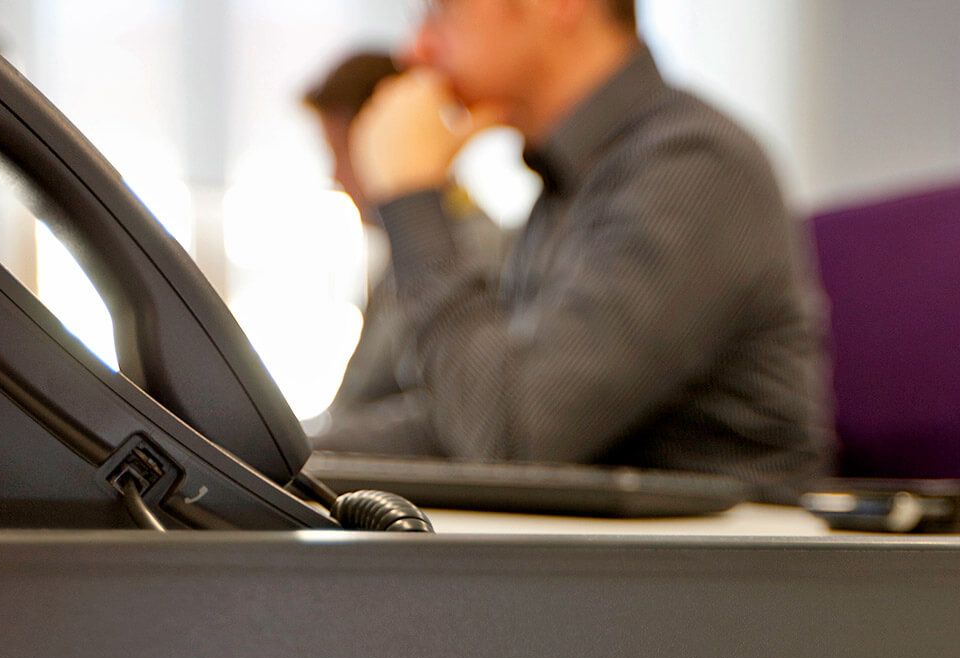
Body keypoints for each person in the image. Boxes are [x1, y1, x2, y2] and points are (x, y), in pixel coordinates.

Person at [326, 0, 831, 505]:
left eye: (443, 12)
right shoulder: (575, 187)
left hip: (728, 569)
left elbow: (511, 436)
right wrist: (283, 455)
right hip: (610, 556)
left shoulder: (693, 167)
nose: (415, 49)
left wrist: (413, 198)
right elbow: (468, 413)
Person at [302, 50, 501, 427]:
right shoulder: (411, 254)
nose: (335, 176)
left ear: (379, 144)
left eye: (338, 154)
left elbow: (440, 416)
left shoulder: (471, 252)